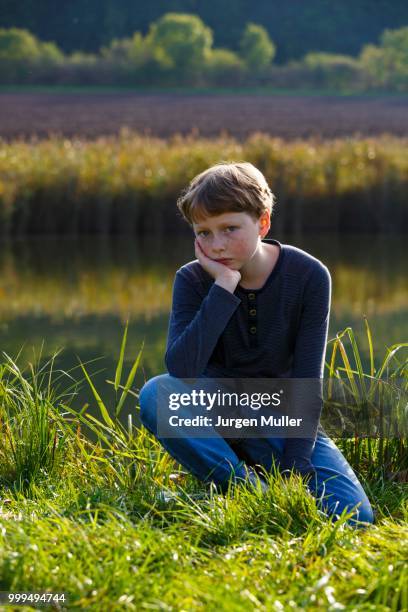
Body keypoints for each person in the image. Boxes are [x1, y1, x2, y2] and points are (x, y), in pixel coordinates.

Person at [139, 161, 374, 528]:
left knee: (355, 518)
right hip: (217, 410)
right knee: (157, 394)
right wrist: (223, 286)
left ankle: (260, 480)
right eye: (204, 232)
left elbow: (307, 382)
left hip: (280, 415)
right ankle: (251, 492)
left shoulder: (309, 276)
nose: (216, 245)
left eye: (230, 229)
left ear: (262, 223)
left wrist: (296, 470)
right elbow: (182, 371)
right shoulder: (192, 279)